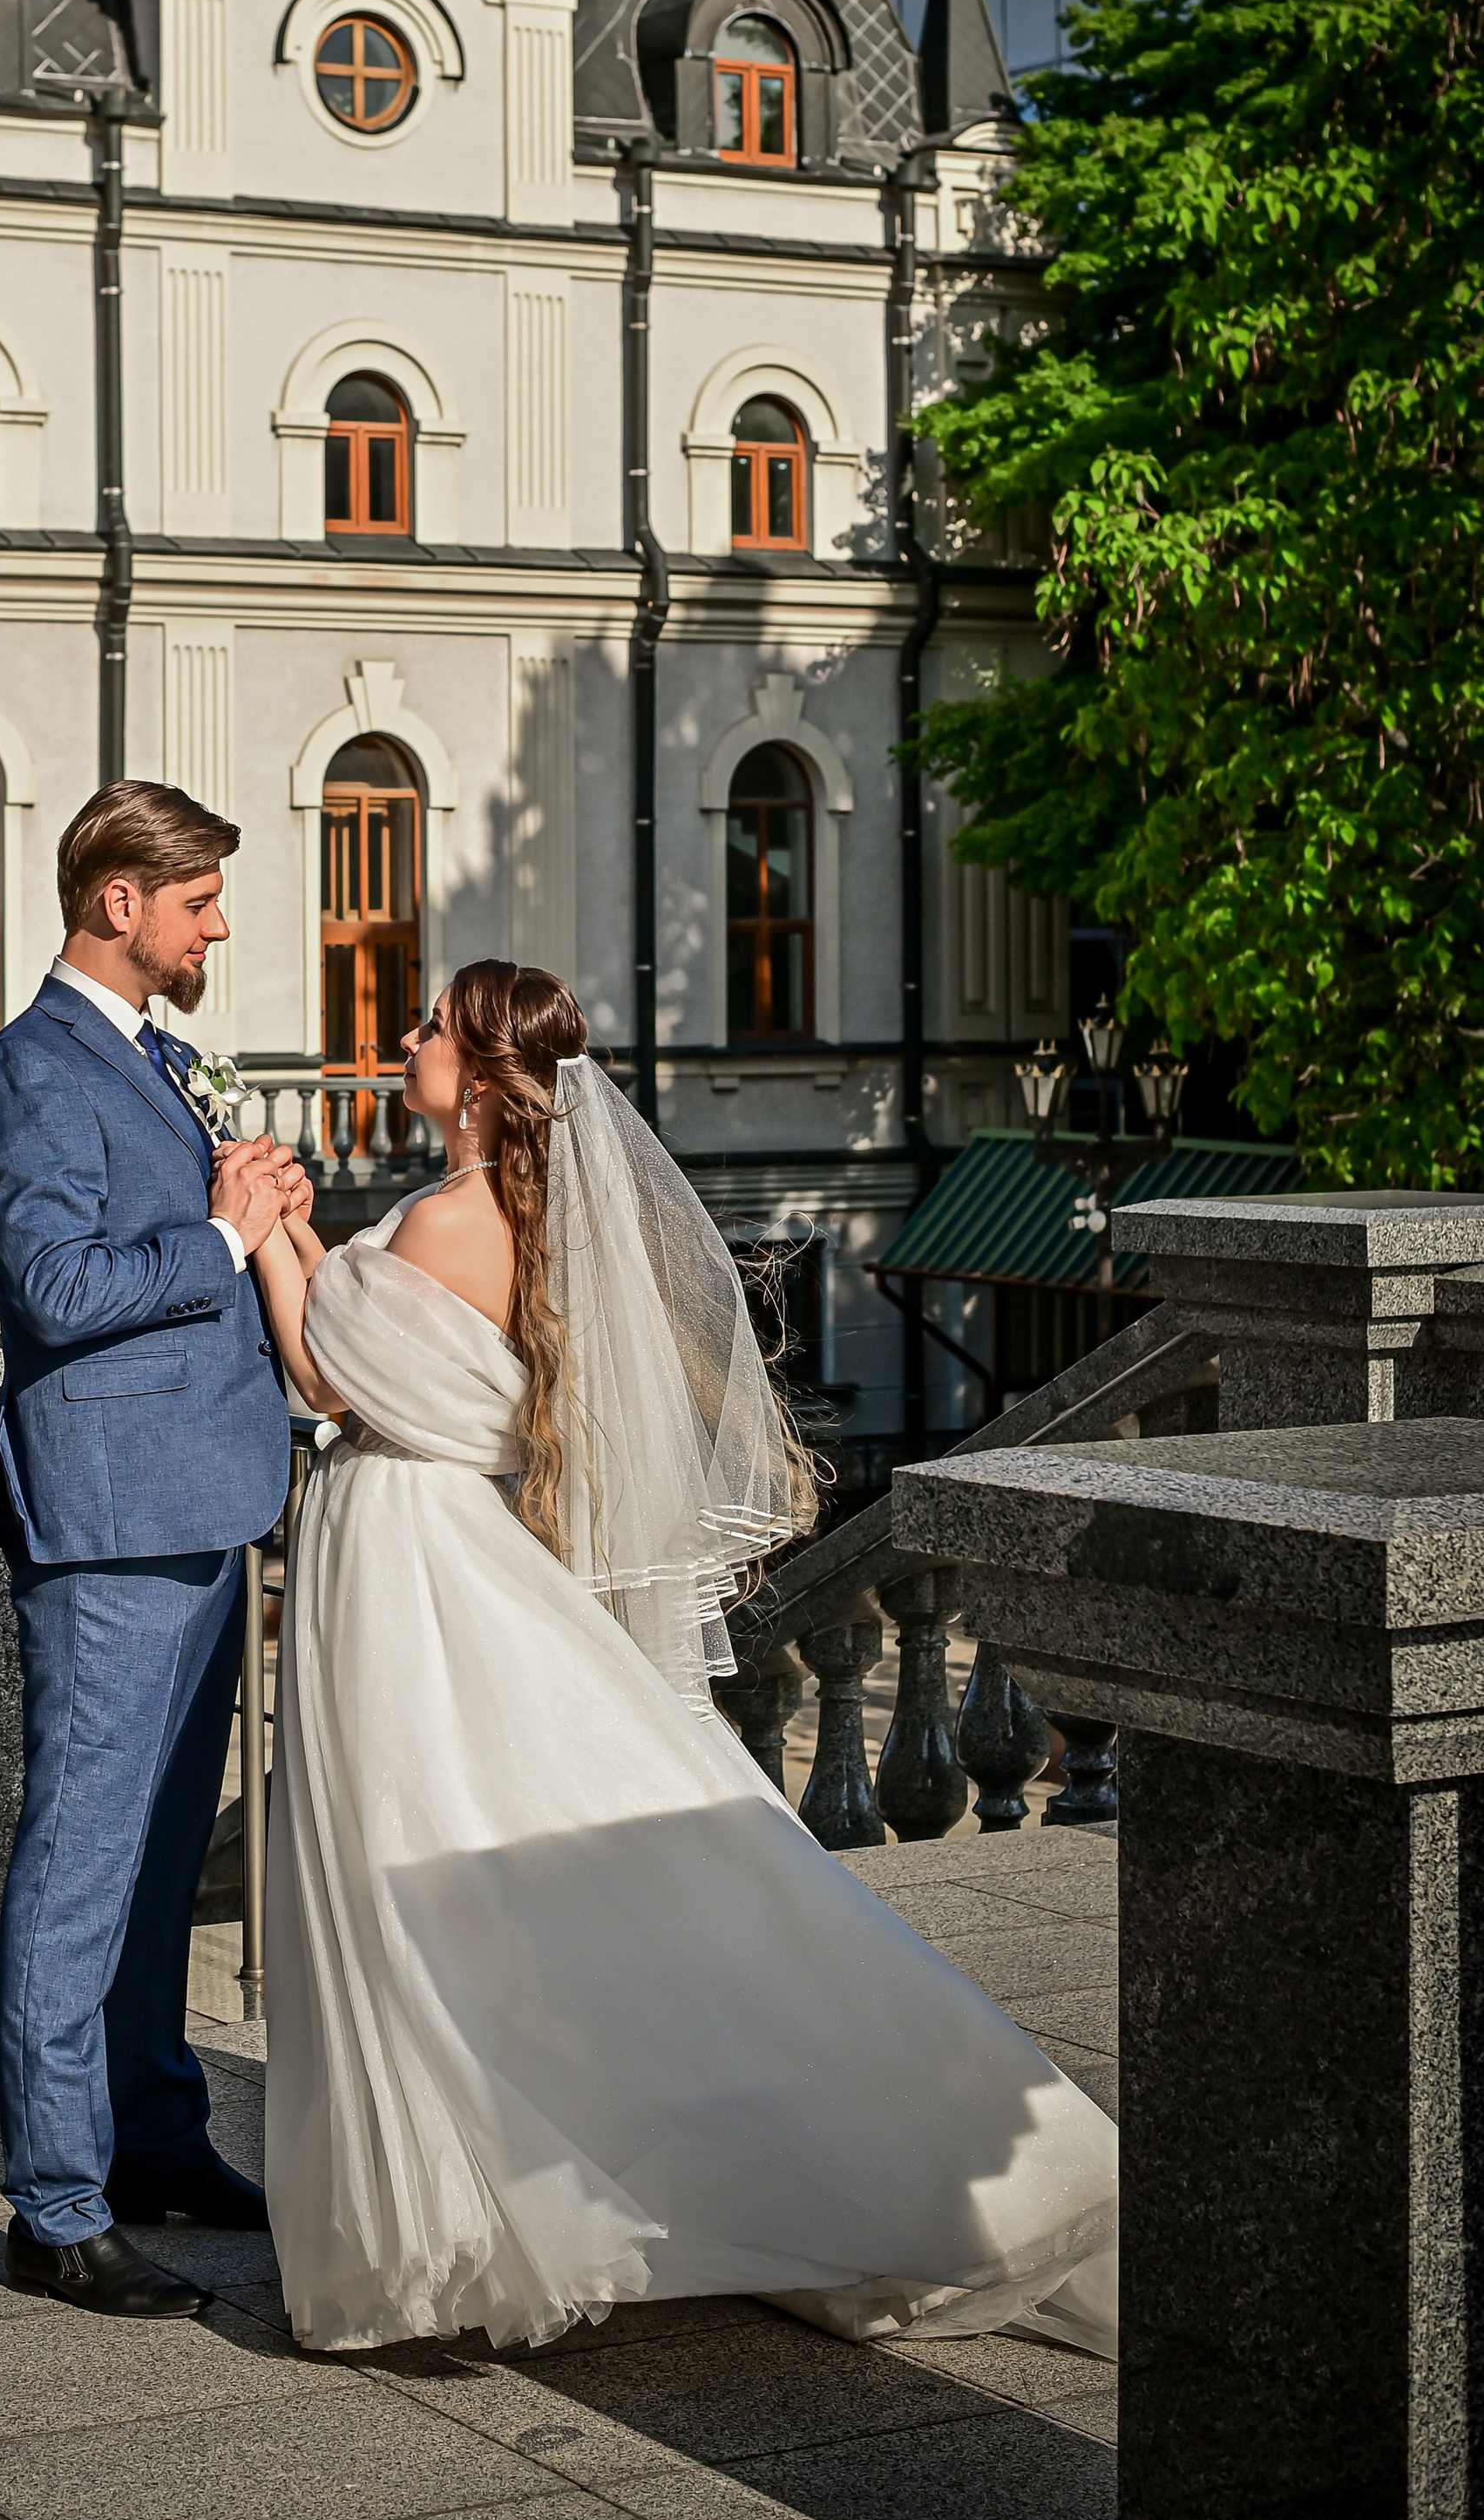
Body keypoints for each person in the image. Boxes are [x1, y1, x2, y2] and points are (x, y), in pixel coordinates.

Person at [250, 959, 1119, 2359]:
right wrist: (295, 1233)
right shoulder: (505, 1218)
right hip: (427, 1553)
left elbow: (327, 1380)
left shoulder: (452, 1222)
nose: (403, 1040)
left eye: (426, 1028)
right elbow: (356, 1360)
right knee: (454, 1861)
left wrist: (260, 1236)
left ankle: (450, 2204)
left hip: (411, 1566)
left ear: (476, 1075)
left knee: (406, 1860)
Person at [0, 781, 298, 2320]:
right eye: (200, 900)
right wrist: (223, 1238)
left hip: (204, 1509)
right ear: (119, 903)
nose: (218, 923)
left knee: (164, 1862)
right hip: (106, 1531)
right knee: (81, 1868)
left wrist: (261, 1217)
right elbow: (58, 1293)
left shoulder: (155, 1059)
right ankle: (57, 2202)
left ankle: (157, 2137)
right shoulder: (30, 1073)